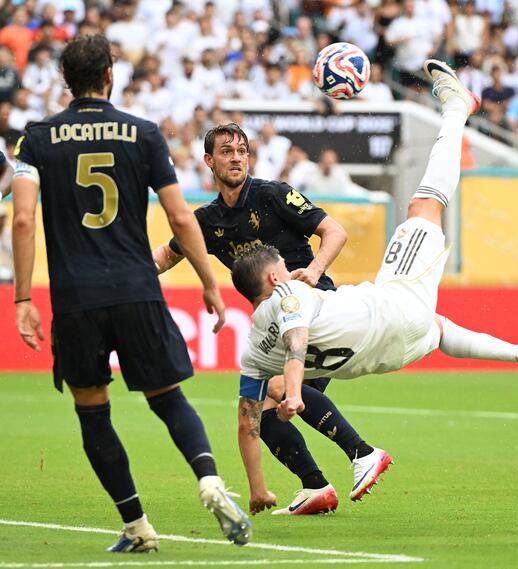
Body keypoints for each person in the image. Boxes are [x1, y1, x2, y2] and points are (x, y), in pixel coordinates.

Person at [228, 60, 518, 506]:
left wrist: (256, 487)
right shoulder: (290, 293)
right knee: (423, 207)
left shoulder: (251, 351)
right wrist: (298, 389)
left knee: (433, 330)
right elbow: (297, 335)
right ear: (273, 276)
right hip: (395, 309)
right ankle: (458, 107)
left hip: (391, 355)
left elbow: (247, 419)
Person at [11, 34, 251, 553]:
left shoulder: (37, 139)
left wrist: (23, 299)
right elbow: (181, 215)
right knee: (168, 399)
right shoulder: (140, 133)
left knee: (92, 412)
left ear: (65, 80)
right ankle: (209, 479)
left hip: (76, 299)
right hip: (138, 288)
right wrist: (210, 283)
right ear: (110, 75)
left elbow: (25, 217)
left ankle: (137, 525)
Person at [152, 123, 391, 516]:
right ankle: (315, 487)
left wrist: (313, 271)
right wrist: (124, 276)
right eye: (226, 151)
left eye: (242, 150)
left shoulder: (274, 194)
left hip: (312, 306)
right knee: (260, 413)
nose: (236, 157)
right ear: (209, 161)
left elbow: (334, 232)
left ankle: (364, 454)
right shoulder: (208, 220)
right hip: (275, 324)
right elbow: (165, 256)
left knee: (276, 391)